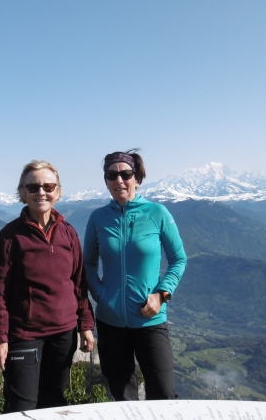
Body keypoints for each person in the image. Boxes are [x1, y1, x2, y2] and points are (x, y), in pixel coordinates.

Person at [0, 160, 95, 413]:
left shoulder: (68, 233)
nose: (41, 192)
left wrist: (86, 325)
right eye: (33, 187)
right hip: (25, 336)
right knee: (21, 406)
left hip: (64, 334)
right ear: (22, 192)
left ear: (58, 191)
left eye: (48, 186)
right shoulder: (10, 236)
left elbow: (79, 283)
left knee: (54, 401)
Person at [83, 150, 187, 401]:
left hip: (151, 320)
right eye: (112, 175)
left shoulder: (157, 213)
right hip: (110, 323)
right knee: (122, 398)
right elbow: (88, 264)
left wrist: (161, 295)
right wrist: (100, 295)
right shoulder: (98, 218)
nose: (119, 180)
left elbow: (179, 259)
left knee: (163, 394)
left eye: (126, 174)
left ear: (137, 179)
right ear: (106, 181)